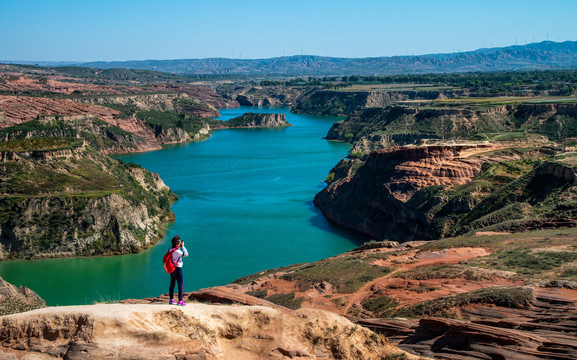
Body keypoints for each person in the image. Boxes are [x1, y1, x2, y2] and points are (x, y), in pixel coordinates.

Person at [168, 235, 188, 306]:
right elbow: (186, 254)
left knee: (172, 283)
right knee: (180, 284)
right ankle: (180, 300)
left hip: (172, 268)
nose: (180, 243)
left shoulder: (170, 249)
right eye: (179, 242)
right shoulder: (178, 252)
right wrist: (183, 246)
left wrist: (179, 246)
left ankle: (171, 299)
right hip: (178, 268)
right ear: (177, 243)